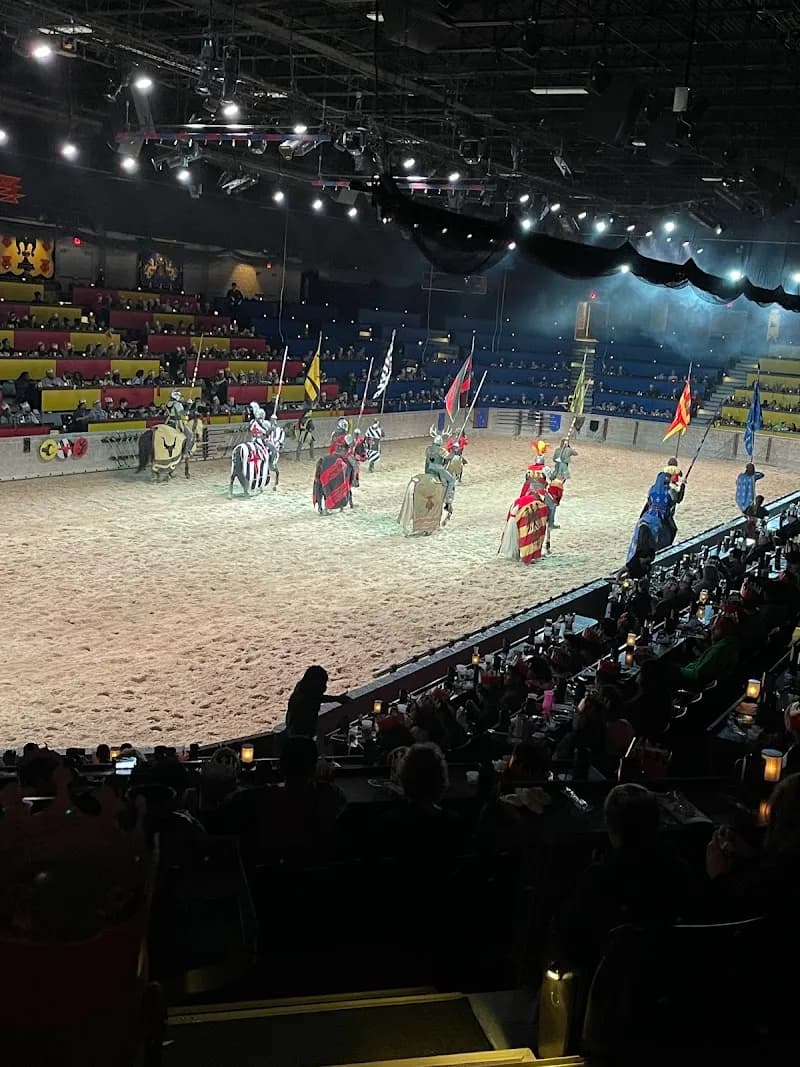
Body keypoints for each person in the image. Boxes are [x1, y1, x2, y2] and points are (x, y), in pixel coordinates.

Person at [557, 783, 695, 969]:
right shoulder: (679, 871)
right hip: (666, 972)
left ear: (609, 826)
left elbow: (574, 941)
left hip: (609, 978)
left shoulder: (598, 878)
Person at [284, 665, 349, 739]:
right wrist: (338, 699)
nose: (325, 687)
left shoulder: (302, 689)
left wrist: (337, 698)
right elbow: (318, 698)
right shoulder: (306, 696)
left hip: (296, 728)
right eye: (323, 684)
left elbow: (319, 698)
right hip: (300, 731)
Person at [425, 431, 456, 514]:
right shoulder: (441, 450)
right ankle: (447, 499)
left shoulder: (428, 449)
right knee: (452, 480)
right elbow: (449, 457)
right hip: (438, 468)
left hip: (430, 468)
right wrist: (453, 450)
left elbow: (427, 461)